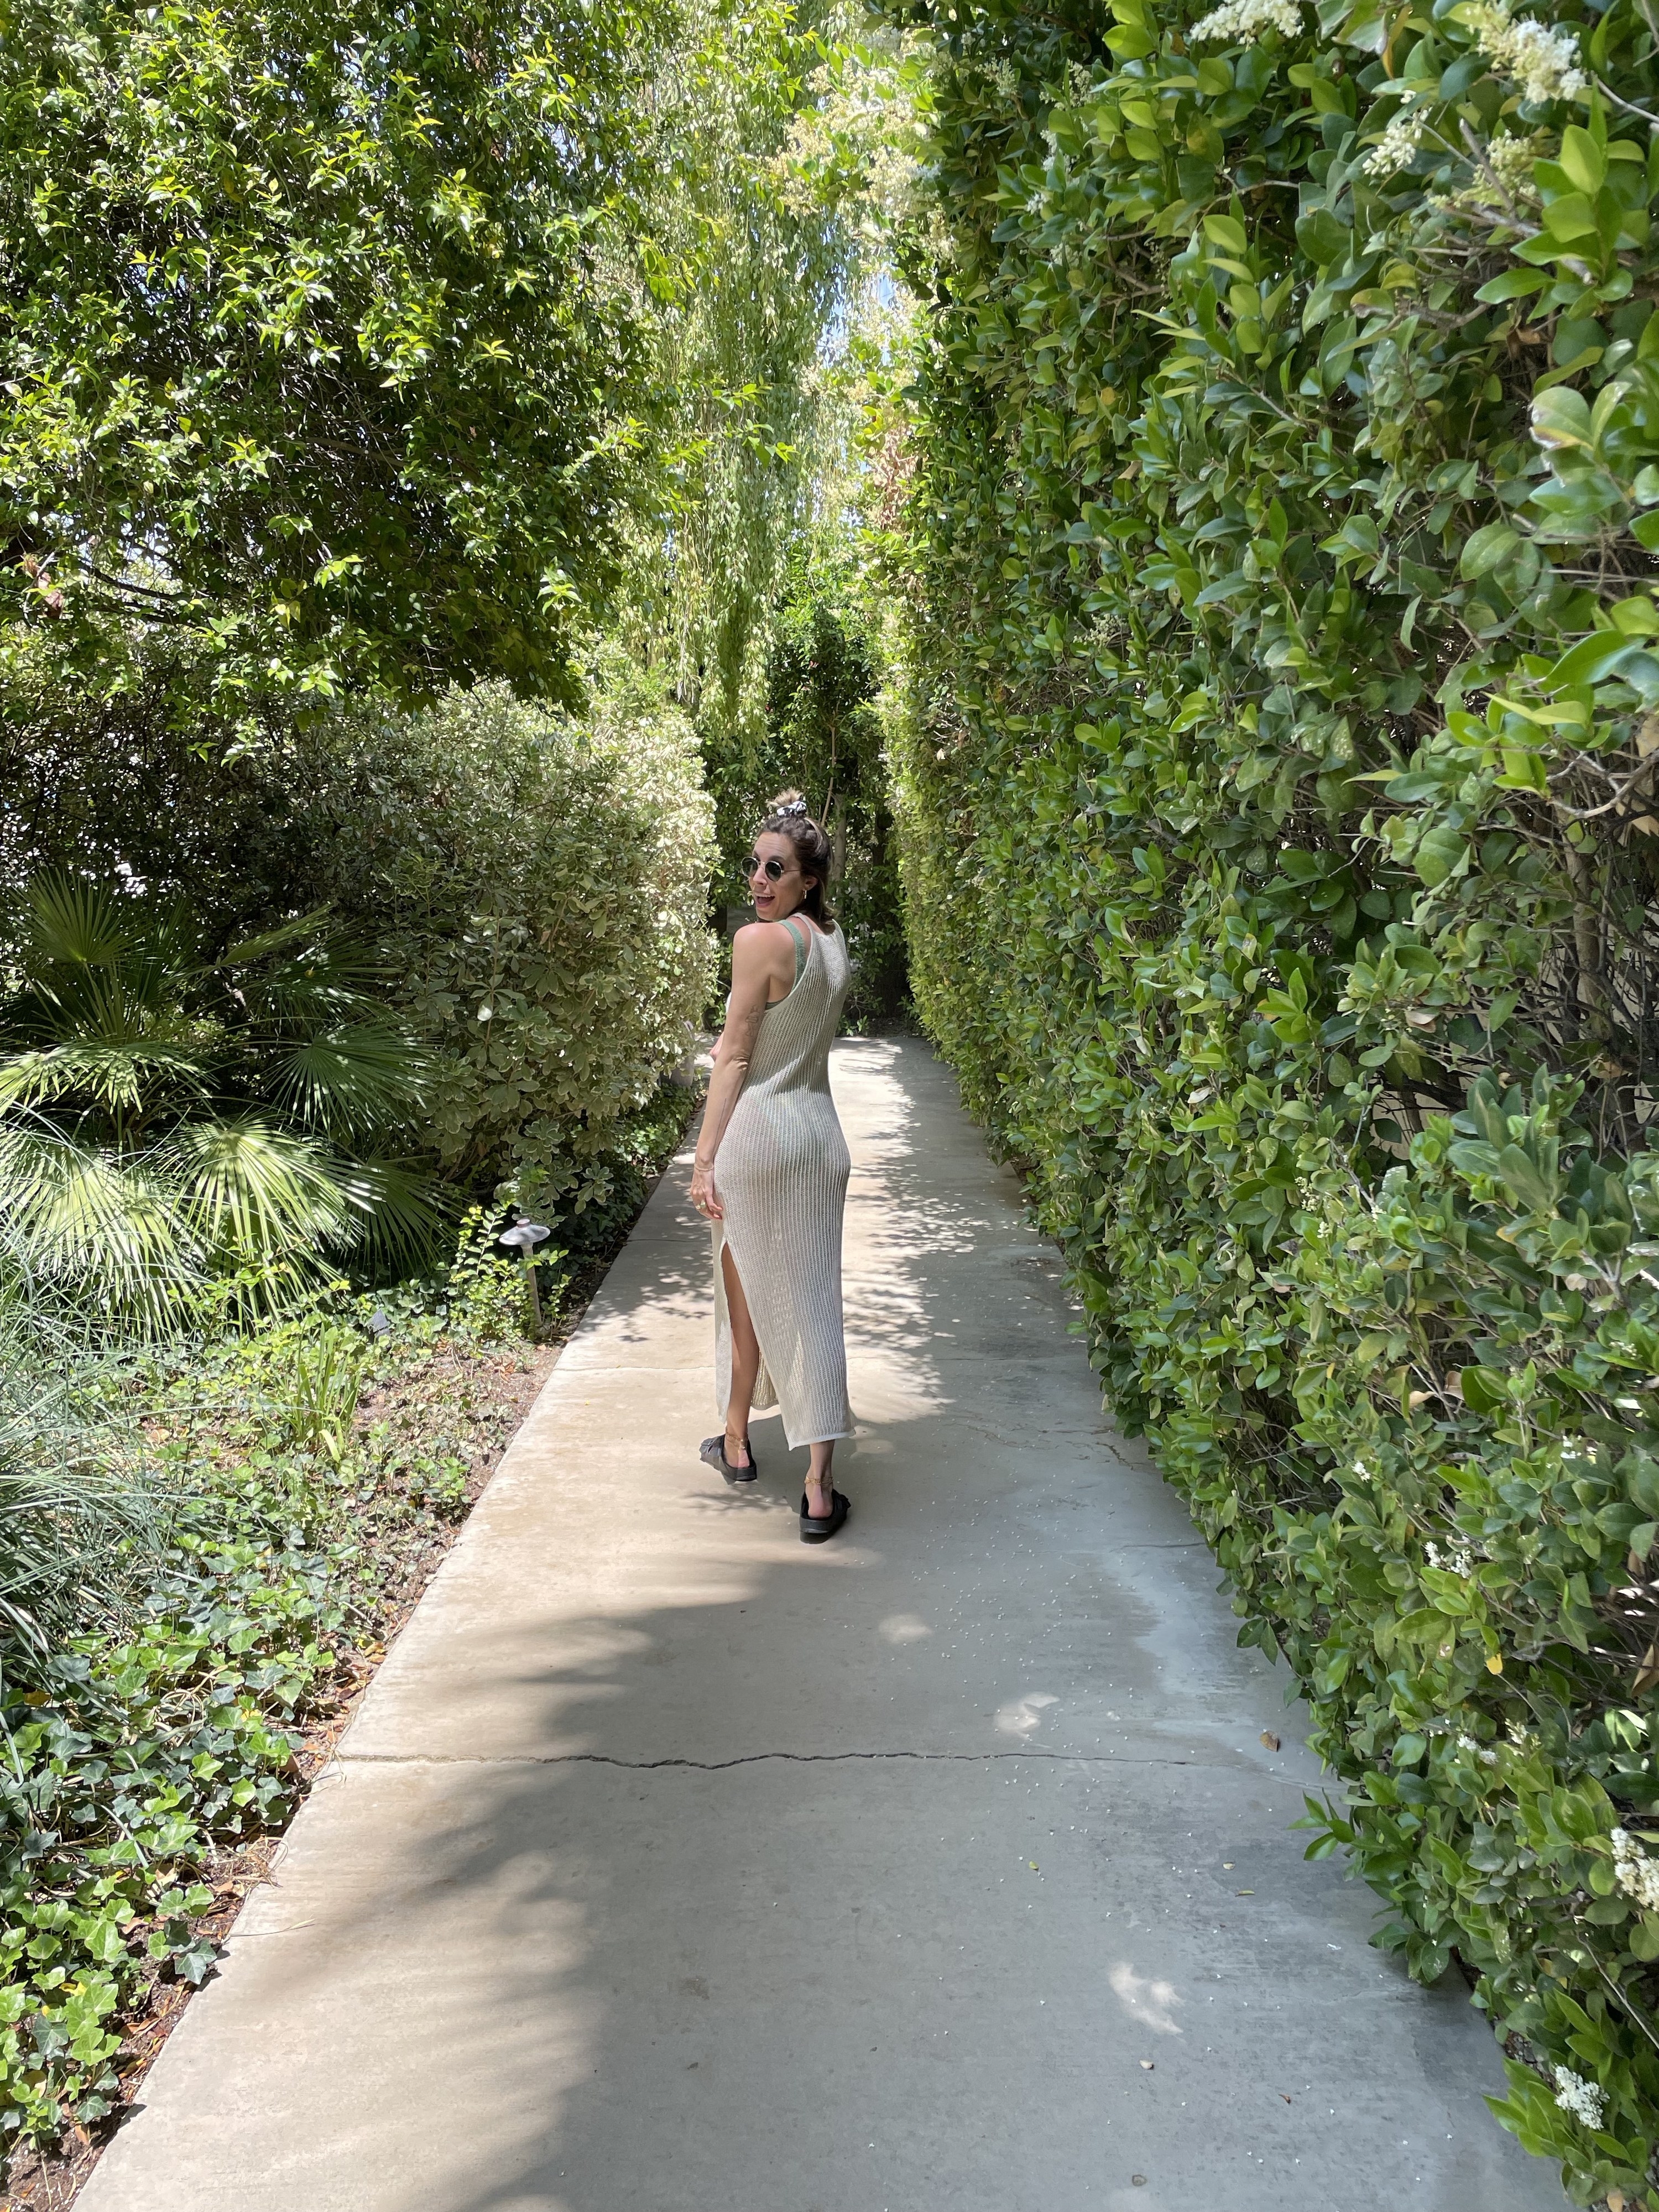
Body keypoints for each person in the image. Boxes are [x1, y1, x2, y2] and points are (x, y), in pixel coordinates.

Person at [689, 791, 853, 1542]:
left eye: (775, 869)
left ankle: (738, 1443)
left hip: (760, 1135)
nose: (758, 879)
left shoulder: (759, 944)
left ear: (808, 878)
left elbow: (735, 1057)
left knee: (742, 1289)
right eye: (753, 865)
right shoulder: (832, 942)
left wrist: (704, 1155)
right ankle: (815, 1486)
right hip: (820, 1137)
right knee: (812, 1301)